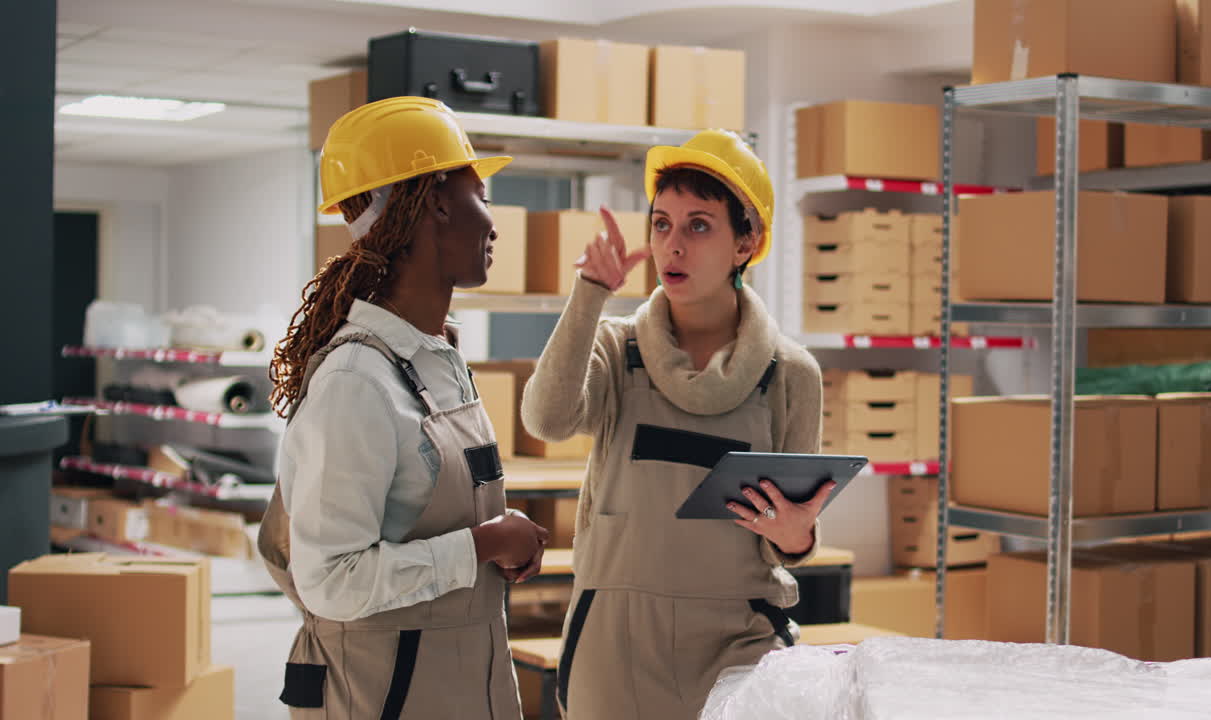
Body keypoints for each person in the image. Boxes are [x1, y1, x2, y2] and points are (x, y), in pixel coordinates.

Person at [521, 129, 832, 719]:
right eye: (661, 224)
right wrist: (589, 294)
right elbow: (547, 419)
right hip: (615, 645)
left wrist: (797, 536)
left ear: (746, 242)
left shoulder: (791, 374)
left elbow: (791, 535)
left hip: (737, 641)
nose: (673, 245)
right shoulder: (615, 349)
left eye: (699, 226)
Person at [257, 96, 548, 720]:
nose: (493, 226)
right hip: (381, 698)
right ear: (436, 203)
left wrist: (496, 534)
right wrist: (485, 542)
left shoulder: (437, 361)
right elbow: (331, 579)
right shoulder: (356, 381)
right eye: (481, 197)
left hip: (462, 690)